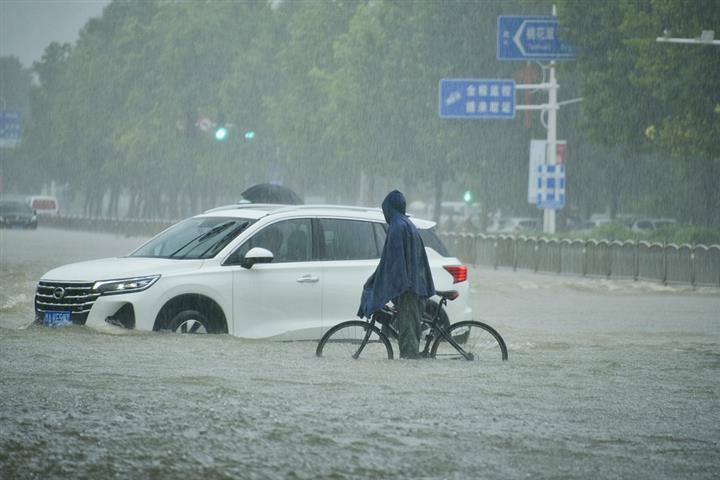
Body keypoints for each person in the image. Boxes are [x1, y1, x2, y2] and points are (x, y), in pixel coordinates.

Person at [357, 190, 436, 359]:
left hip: (409, 291)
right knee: (410, 337)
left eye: (385, 209)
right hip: (415, 286)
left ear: (389, 209)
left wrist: (376, 284)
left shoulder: (397, 228)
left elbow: (392, 263)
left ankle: (410, 380)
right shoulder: (407, 224)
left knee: (408, 347)